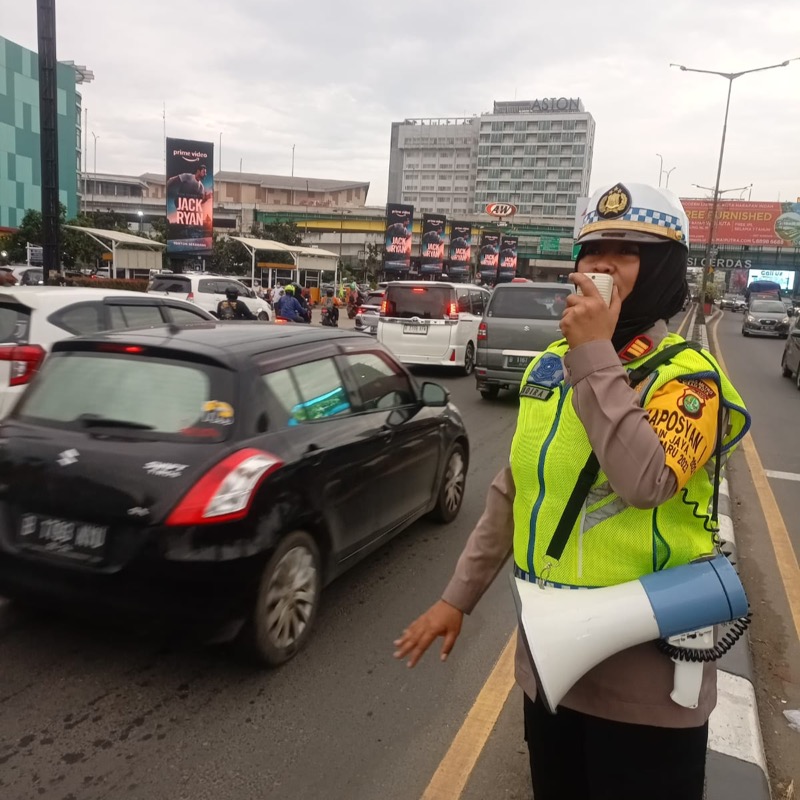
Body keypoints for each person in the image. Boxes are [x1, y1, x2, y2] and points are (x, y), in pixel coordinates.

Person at [394, 182, 751, 800]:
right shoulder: (550, 367)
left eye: (626, 252)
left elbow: (646, 482)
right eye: (592, 250)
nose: (601, 265)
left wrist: (594, 352)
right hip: (552, 667)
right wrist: (458, 597)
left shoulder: (688, 380)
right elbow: (513, 492)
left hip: (647, 685)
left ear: (663, 269)